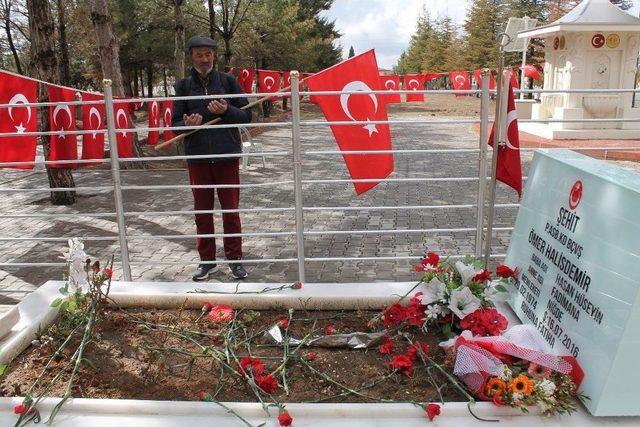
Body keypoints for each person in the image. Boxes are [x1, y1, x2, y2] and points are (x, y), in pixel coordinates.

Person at [172, 36, 252, 281]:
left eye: (208, 54)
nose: (204, 59)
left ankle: (235, 259)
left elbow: (247, 116)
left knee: (231, 211)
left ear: (214, 56)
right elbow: (175, 125)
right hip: (197, 158)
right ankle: (207, 261)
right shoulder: (183, 87)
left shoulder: (228, 82)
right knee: (202, 212)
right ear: (191, 56)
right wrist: (187, 125)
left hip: (226, 155)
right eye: (199, 55)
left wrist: (227, 111)